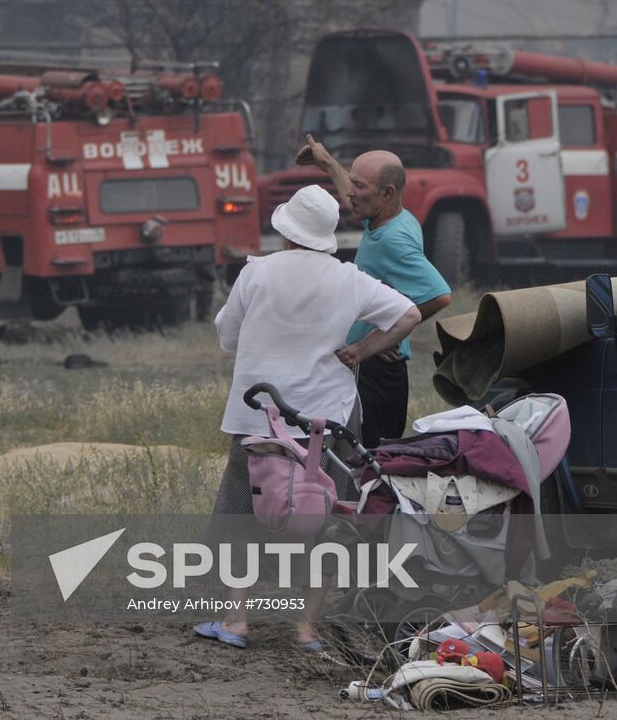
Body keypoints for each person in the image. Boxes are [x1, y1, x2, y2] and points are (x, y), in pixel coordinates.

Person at [194, 184, 419, 652]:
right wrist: (361, 350)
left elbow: (227, 337)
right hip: (328, 421)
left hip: (260, 418)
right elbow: (409, 314)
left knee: (243, 516)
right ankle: (306, 629)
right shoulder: (349, 278)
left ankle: (236, 622)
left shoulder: (255, 273)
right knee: (328, 519)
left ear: (285, 232)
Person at [295, 135, 452, 449]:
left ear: (387, 193)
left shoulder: (394, 241)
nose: (350, 193)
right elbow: (352, 192)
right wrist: (327, 163)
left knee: (371, 463)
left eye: (360, 187)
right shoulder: (387, 220)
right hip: (371, 369)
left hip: (377, 373)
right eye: (352, 182)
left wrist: (380, 338)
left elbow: (440, 294)